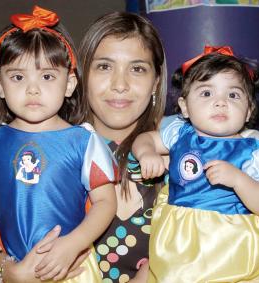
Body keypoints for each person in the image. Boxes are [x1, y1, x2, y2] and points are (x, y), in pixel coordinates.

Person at [0, 6, 117, 282]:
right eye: (18, 77)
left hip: (67, 268)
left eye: (46, 76)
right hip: (8, 262)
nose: (32, 88)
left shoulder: (84, 141)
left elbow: (105, 203)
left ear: (69, 84)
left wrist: (74, 244)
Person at [132, 46, 259, 282]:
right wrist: (147, 152)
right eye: (207, 93)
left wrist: (240, 181)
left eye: (233, 95)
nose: (221, 103)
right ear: (185, 107)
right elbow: (145, 138)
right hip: (179, 240)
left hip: (230, 247)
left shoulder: (253, 148)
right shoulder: (180, 134)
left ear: (249, 110)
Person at [78, 12, 167, 283]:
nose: (119, 85)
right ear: (81, 75)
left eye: (137, 68)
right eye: (104, 66)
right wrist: (9, 272)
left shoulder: (187, 155)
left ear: (156, 83)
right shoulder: (51, 149)